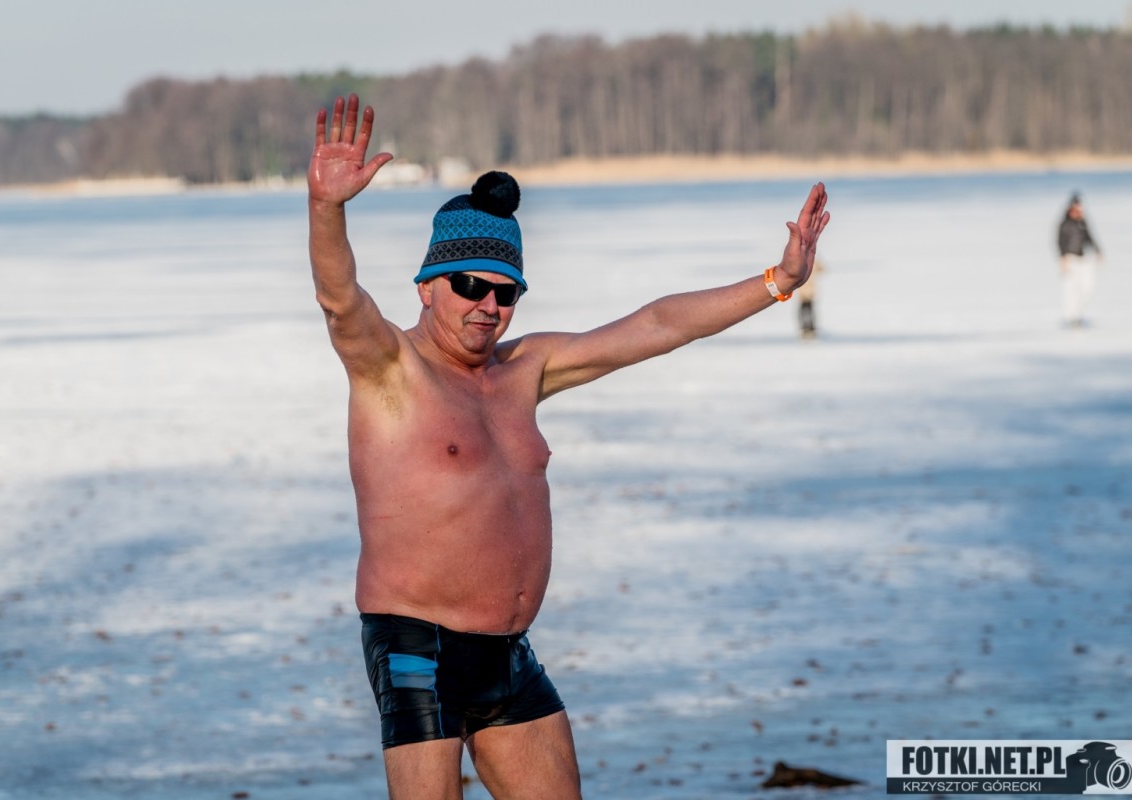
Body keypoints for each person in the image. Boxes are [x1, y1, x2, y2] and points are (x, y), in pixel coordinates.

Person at [307, 94, 830, 800]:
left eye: (506, 294)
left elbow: (657, 326)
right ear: (428, 287)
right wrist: (326, 208)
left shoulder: (524, 369)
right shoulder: (389, 368)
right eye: (470, 286)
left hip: (509, 653)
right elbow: (340, 300)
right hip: (418, 648)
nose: (488, 307)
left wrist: (777, 282)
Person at [1057, 193, 1103, 328]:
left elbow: (1090, 237)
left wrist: (1098, 251)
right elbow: (1060, 242)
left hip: (1083, 260)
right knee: (1070, 289)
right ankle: (1071, 317)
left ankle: (1079, 314)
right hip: (1070, 259)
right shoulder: (1065, 224)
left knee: (1087, 287)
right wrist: (1063, 258)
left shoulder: (1082, 222)